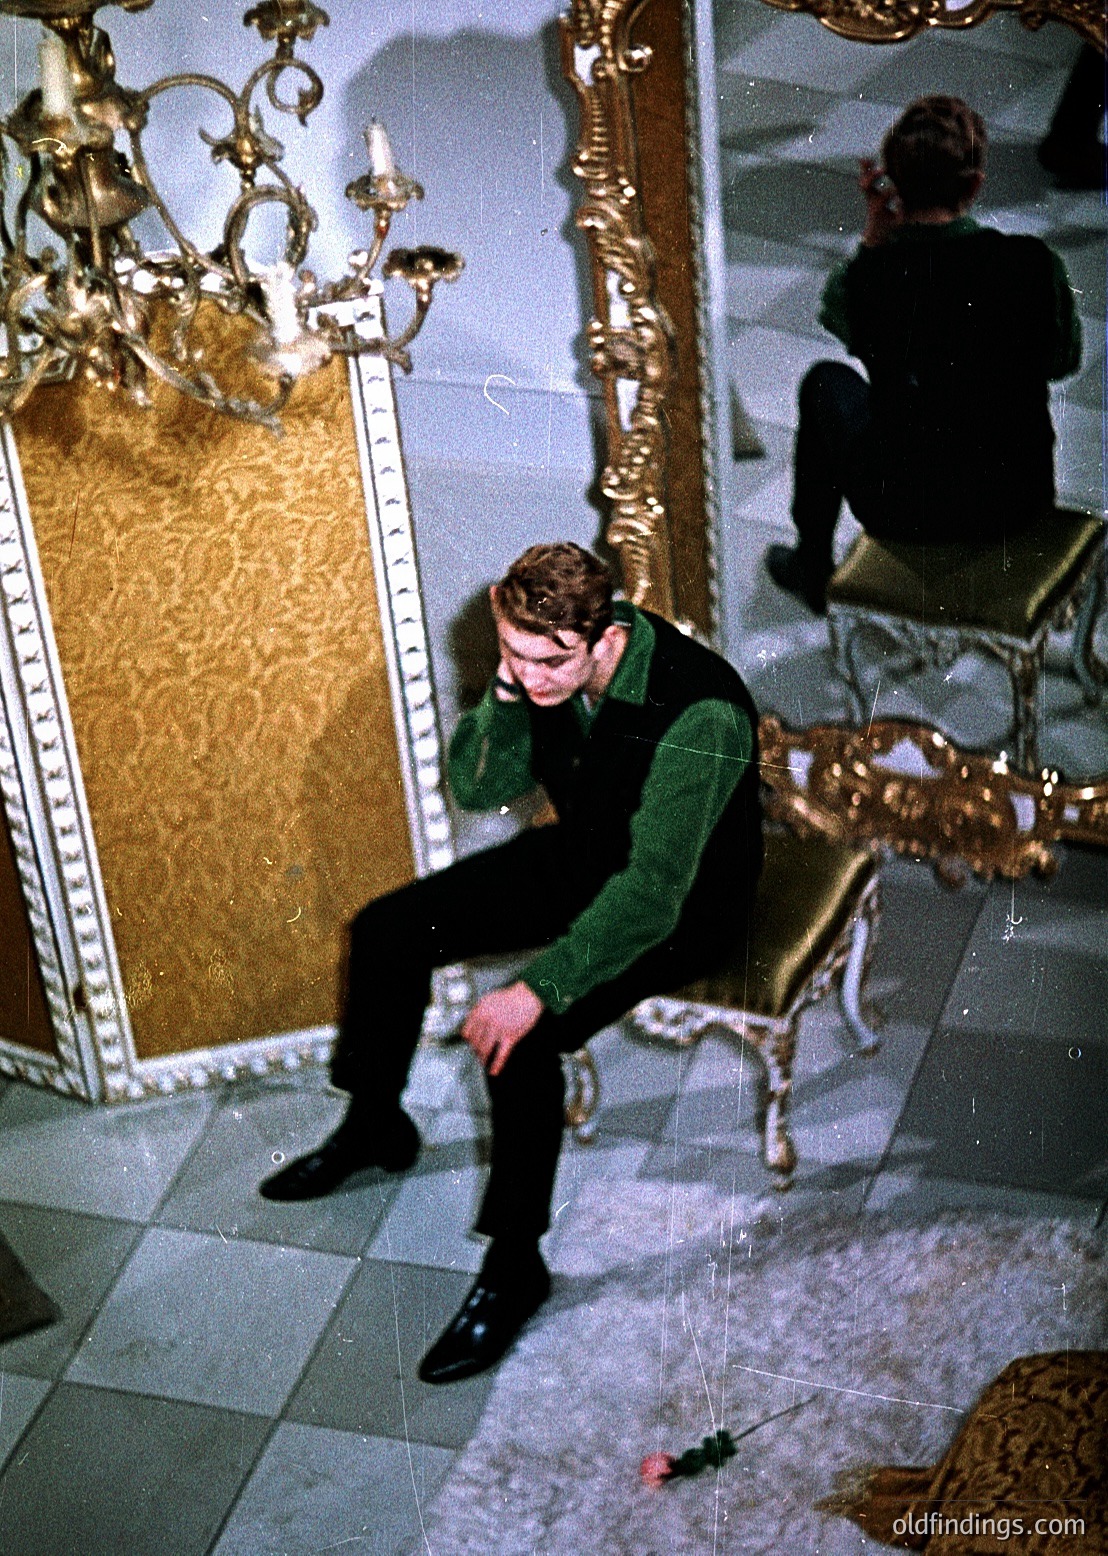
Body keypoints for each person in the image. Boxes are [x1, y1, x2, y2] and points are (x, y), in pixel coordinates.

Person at [260, 543, 763, 1383]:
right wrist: (503, 688)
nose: (531, 678)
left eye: (549, 661)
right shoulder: (531, 670)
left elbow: (651, 895)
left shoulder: (699, 710)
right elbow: (481, 786)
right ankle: (376, 1119)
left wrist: (537, 989)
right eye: (512, 653)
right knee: (388, 929)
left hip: (686, 906)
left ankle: (515, 1263)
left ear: (603, 640)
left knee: (516, 1040)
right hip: (589, 852)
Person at [766, 95, 1082, 615]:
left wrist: (875, 234)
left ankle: (814, 567)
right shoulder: (1032, 263)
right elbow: (1062, 362)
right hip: (1019, 501)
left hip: (909, 512)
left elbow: (838, 317)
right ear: (975, 184)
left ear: (892, 185)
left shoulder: (871, 277)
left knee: (824, 382)